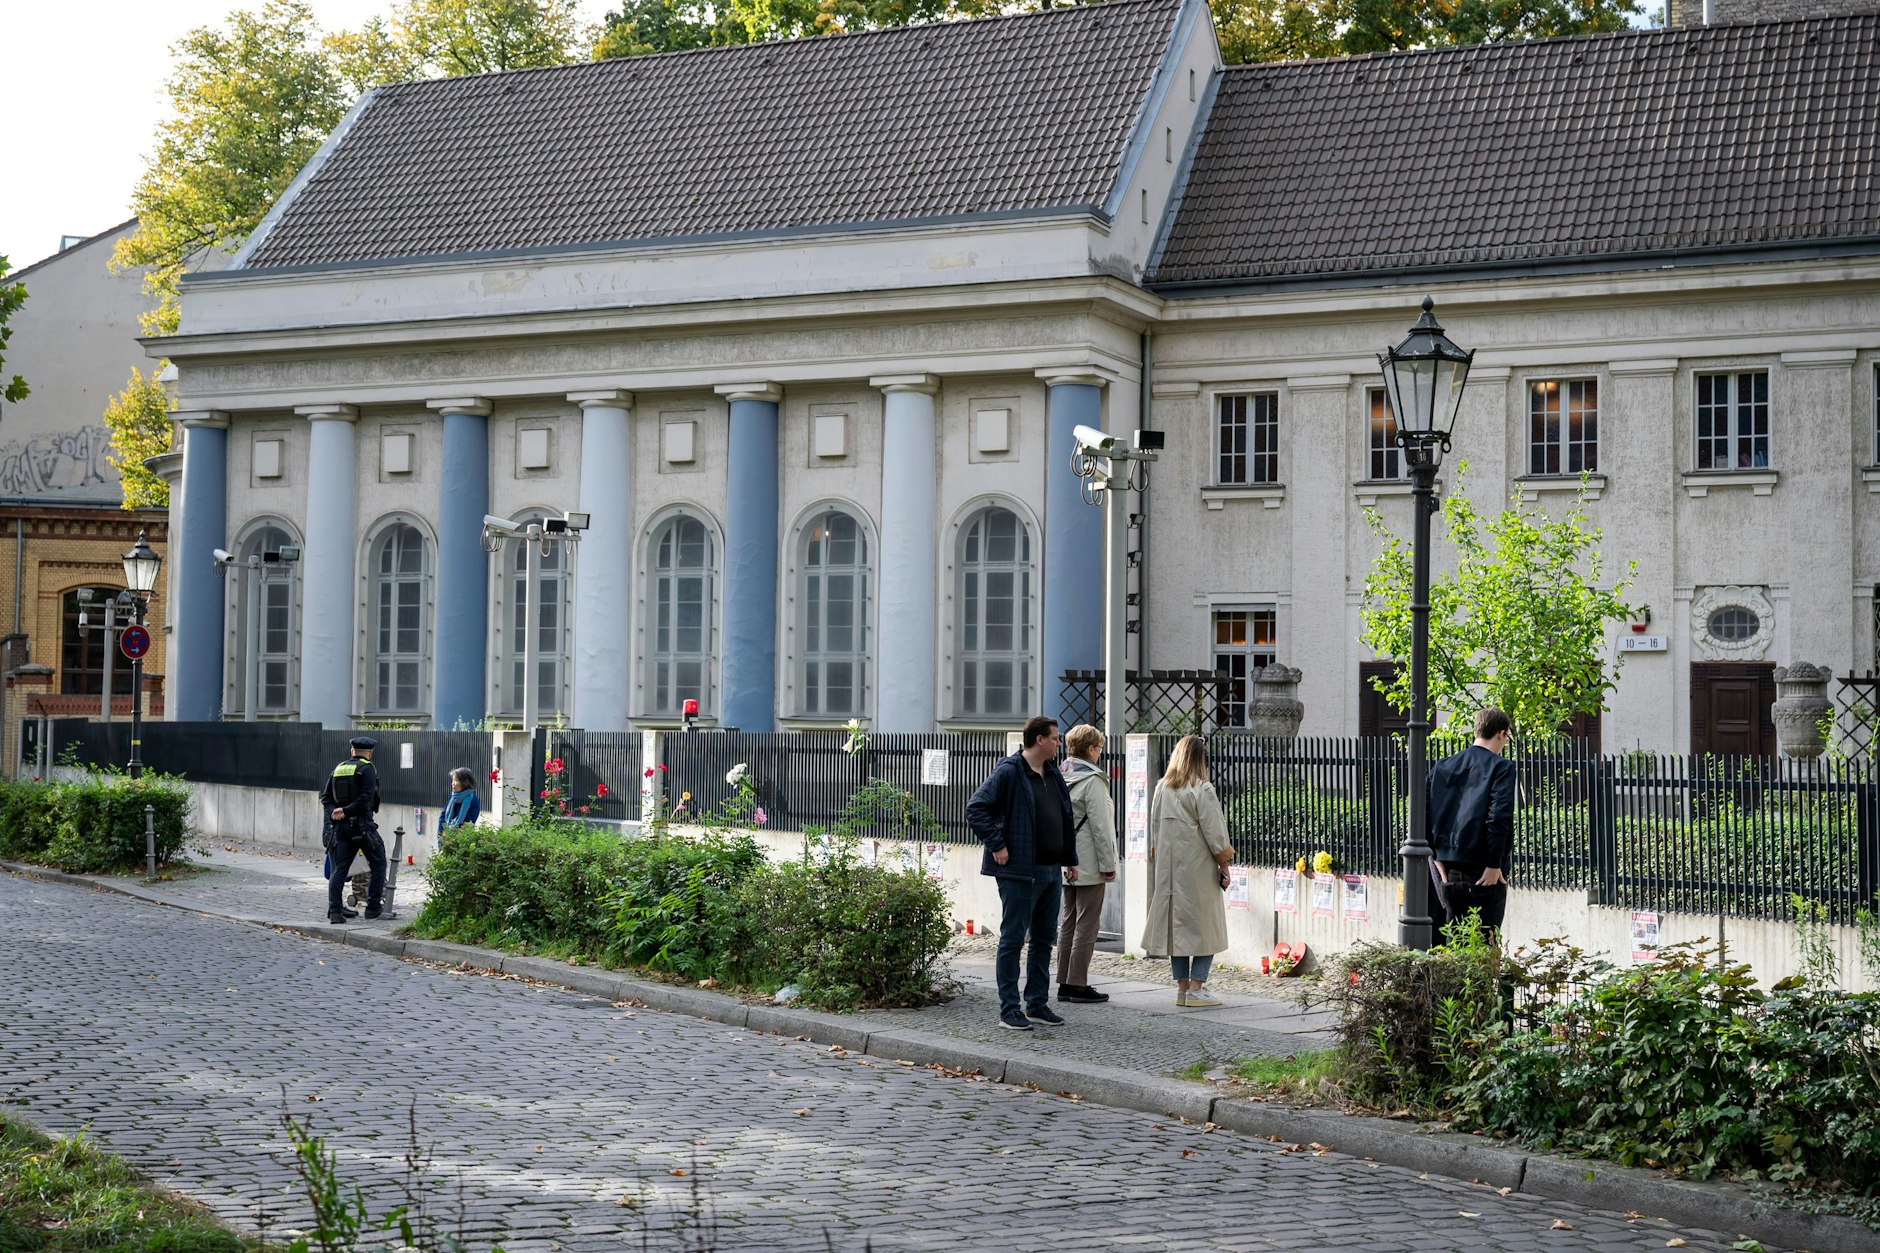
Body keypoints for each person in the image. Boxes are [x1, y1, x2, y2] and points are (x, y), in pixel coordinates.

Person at [967, 715, 1078, 1032]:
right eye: (1056, 738)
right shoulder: (1010, 771)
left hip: (1051, 870)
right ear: (1039, 740)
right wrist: (998, 844)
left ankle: (1038, 1003)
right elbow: (976, 808)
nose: (1060, 743)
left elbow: (1065, 816)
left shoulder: (1053, 772)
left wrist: (1070, 858)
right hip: (1018, 872)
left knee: (1044, 939)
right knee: (1013, 939)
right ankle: (1009, 1009)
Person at [1140, 734, 1233, 1008]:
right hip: (1197, 867)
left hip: (1169, 869)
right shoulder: (1202, 789)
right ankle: (1196, 987)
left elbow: (1154, 829)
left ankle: (1182, 988)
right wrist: (1224, 863)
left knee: (1176, 929)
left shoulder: (1161, 788)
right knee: (1207, 927)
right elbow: (1215, 831)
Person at [1427, 707, 1516, 943]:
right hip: (1483, 869)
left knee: (1453, 938)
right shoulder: (1501, 767)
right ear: (1500, 734)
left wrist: (1436, 856)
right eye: (1506, 737)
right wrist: (1493, 864)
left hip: (1446, 868)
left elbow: (1422, 811)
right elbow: (1498, 817)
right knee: (1486, 940)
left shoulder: (1442, 766)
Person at [1057, 724, 1118, 1004]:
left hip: (1065, 859)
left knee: (1068, 921)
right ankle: (1078, 983)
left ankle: (1064, 981)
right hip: (1089, 861)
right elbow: (1101, 828)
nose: (1100, 754)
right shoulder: (1092, 780)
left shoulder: (1059, 775)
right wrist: (1108, 864)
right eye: (1099, 749)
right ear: (1092, 750)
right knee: (1087, 923)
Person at [321, 736, 385, 923]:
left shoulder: (339, 768)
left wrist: (336, 812)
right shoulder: (367, 768)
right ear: (370, 753)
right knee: (379, 863)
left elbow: (326, 798)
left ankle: (335, 911)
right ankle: (373, 907)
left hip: (341, 827)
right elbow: (366, 797)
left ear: (352, 751)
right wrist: (347, 810)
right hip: (363, 826)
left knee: (340, 869)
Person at [440, 767, 481, 835]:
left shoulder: (473, 800)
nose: (452, 783)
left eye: (456, 780)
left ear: (465, 782)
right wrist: (441, 834)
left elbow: (468, 824)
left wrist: (451, 838)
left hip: (461, 839)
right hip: (445, 836)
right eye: (452, 780)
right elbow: (443, 817)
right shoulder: (452, 797)